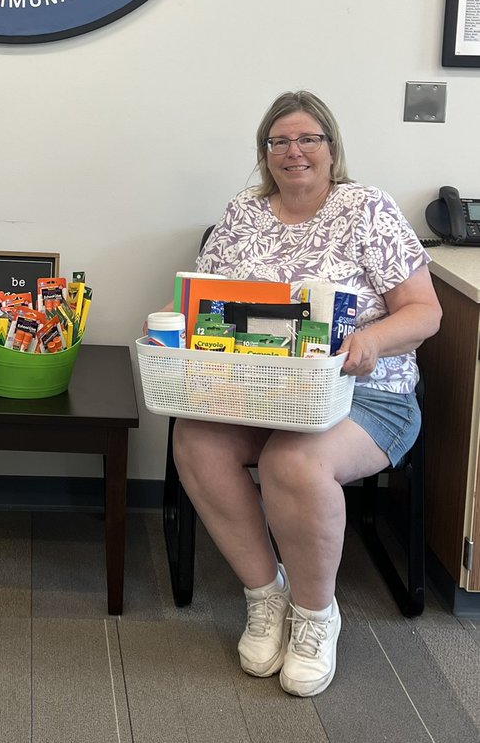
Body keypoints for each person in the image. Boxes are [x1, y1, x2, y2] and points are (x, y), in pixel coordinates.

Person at [171, 91, 441, 697]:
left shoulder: (368, 209)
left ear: (331, 147)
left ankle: (318, 617)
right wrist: (165, 322)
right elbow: (200, 298)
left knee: (291, 460)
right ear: (264, 153)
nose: (293, 152)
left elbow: (426, 313)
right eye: (278, 142)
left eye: (307, 139)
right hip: (256, 393)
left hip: (366, 395)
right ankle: (267, 597)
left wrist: (372, 339)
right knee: (195, 440)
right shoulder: (243, 213)